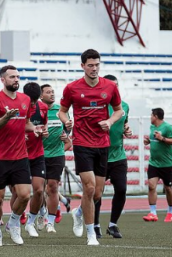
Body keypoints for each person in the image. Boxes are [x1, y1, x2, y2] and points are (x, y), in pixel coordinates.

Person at [59, 49, 123, 246]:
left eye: (97, 65)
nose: (94, 68)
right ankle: (91, 234)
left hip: (102, 143)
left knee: (96, 193)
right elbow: (62, 111)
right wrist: (67, 121)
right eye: (90, 65)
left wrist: (110, 121)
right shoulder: (71, 88)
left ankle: (79, 212)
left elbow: (119, 111)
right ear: (82, 66)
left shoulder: (110, 86)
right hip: (82, 143)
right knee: (89, 187)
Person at [0, 65, 36, 247]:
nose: (16, 79)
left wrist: (36, 128)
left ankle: (14, 223)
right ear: (3, 80)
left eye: (17, 76)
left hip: (20, 156)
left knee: (24, 195)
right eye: (12, 77)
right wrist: (6, 116)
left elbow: (26, 123)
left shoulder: (25, 99)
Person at [93, 74, 131, 238]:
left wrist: (127, 130)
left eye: (116, 85)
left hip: (118, 155)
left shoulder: (124, 106)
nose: (114, 88)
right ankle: (94, 224)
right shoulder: (96, 105)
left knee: (121, 189)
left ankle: (113, 225)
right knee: (96, 193)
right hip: (99, 154)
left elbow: (125, 123)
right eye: (111, 85)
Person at [18, 82, 48, 238]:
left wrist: (43, 131)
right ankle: (15, 222)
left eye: (36, 100)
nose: (34, 103)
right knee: (20, 194)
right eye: (32, 100)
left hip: (37, 154)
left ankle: (31, 222)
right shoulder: (18, 107)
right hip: (19, 154)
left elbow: (44, 125)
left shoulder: (43, 107)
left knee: (38, 190)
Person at [40, 84, 71, 233]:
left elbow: (67, 132)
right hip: (38, 155)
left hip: (57, 155)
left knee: (52, 187)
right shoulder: (36, 111)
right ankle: (39, 215)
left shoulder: (61, 111)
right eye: (47, 92)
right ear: (41, 96)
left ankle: (50, 222)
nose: (51, 94)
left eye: (52, 92)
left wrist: (66, 135)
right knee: (38, 189)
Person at [142, 108, 172, 223]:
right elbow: (154, 139)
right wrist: (148, 141)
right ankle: (153, 213)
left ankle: (170, 211)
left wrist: (163, 139)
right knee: (151, 186)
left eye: (151, 115)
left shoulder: (168, 127)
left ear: (155, 116)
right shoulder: (152, 127)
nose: (150, 117)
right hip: (153, 163)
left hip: (167, 164)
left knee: (168, 188)